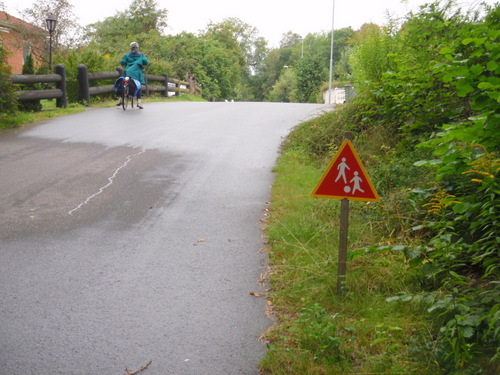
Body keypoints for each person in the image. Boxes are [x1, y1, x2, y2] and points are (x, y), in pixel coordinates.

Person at [117, 42, 149, 109]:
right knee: (139, 85)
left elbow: (122, 62)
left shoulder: (127, 55)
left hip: (128, 72)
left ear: (131, 48)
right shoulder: (141, 55)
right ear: (137, 48)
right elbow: (146, 62)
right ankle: (139, 102)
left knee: (123, 82)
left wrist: (127, 63)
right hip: (137, 73)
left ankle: (120, 98)